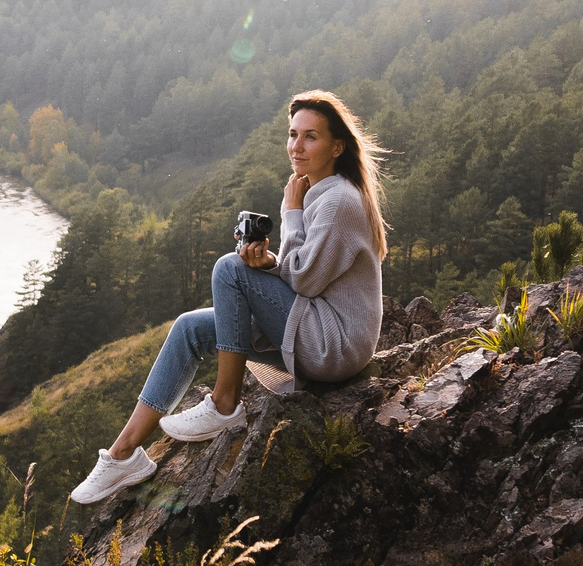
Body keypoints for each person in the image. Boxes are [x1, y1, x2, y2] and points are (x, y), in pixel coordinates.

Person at [71, 90, 388, 504]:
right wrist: (269, 261)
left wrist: (290, 213)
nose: (296, 146)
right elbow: (304, 271)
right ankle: (123, 454)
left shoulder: (338, 201)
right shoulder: (320, 192)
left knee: (229, 268)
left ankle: (225, 405)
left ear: (337, 146)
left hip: (334, 346)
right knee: (189, 328)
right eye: (292, 134)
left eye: (311, 137)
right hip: (313, 325)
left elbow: (304, 281)